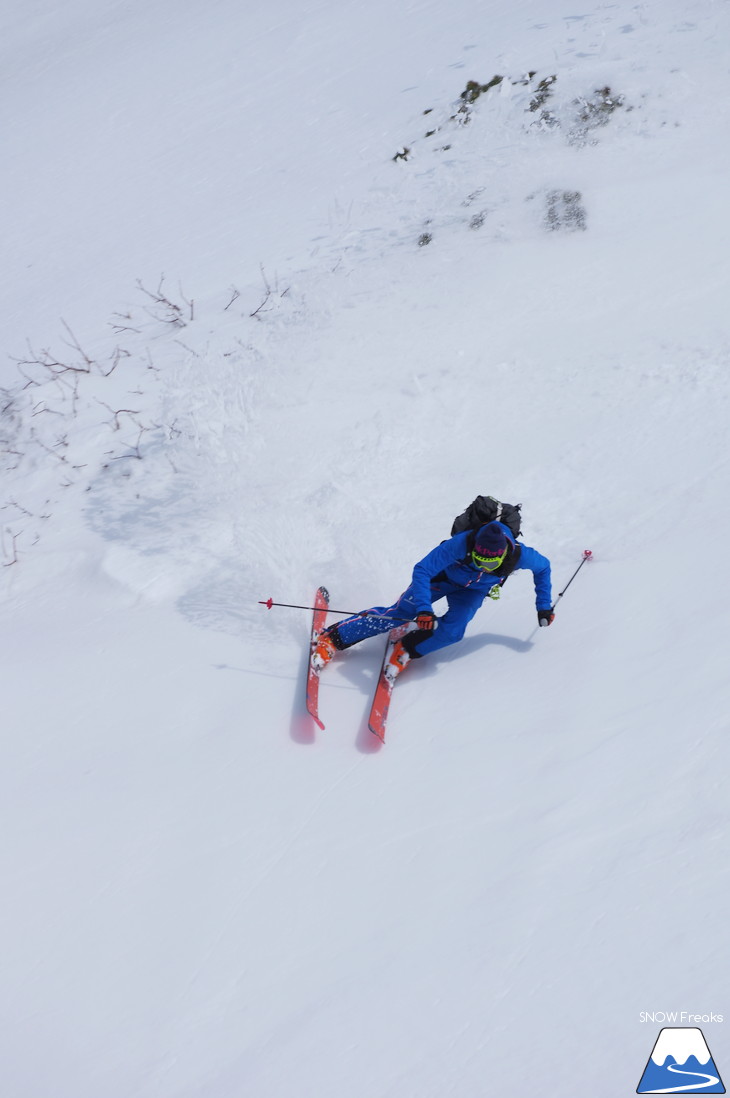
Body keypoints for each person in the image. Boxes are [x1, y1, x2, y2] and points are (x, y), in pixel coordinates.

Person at [312, 520, 554, 678]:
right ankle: (333, 638)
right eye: (479, 559)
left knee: (454, 631)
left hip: (473, 591)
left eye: (491, 563)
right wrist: (424, 609)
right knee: (401, 613)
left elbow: (543, 569)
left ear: (503, 554)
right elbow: (423, 569)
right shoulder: (460, 544)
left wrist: (543, 606)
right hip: (441, 578)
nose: (484, 565)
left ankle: (407, 648)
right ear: (474, 549)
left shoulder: (521, 555)